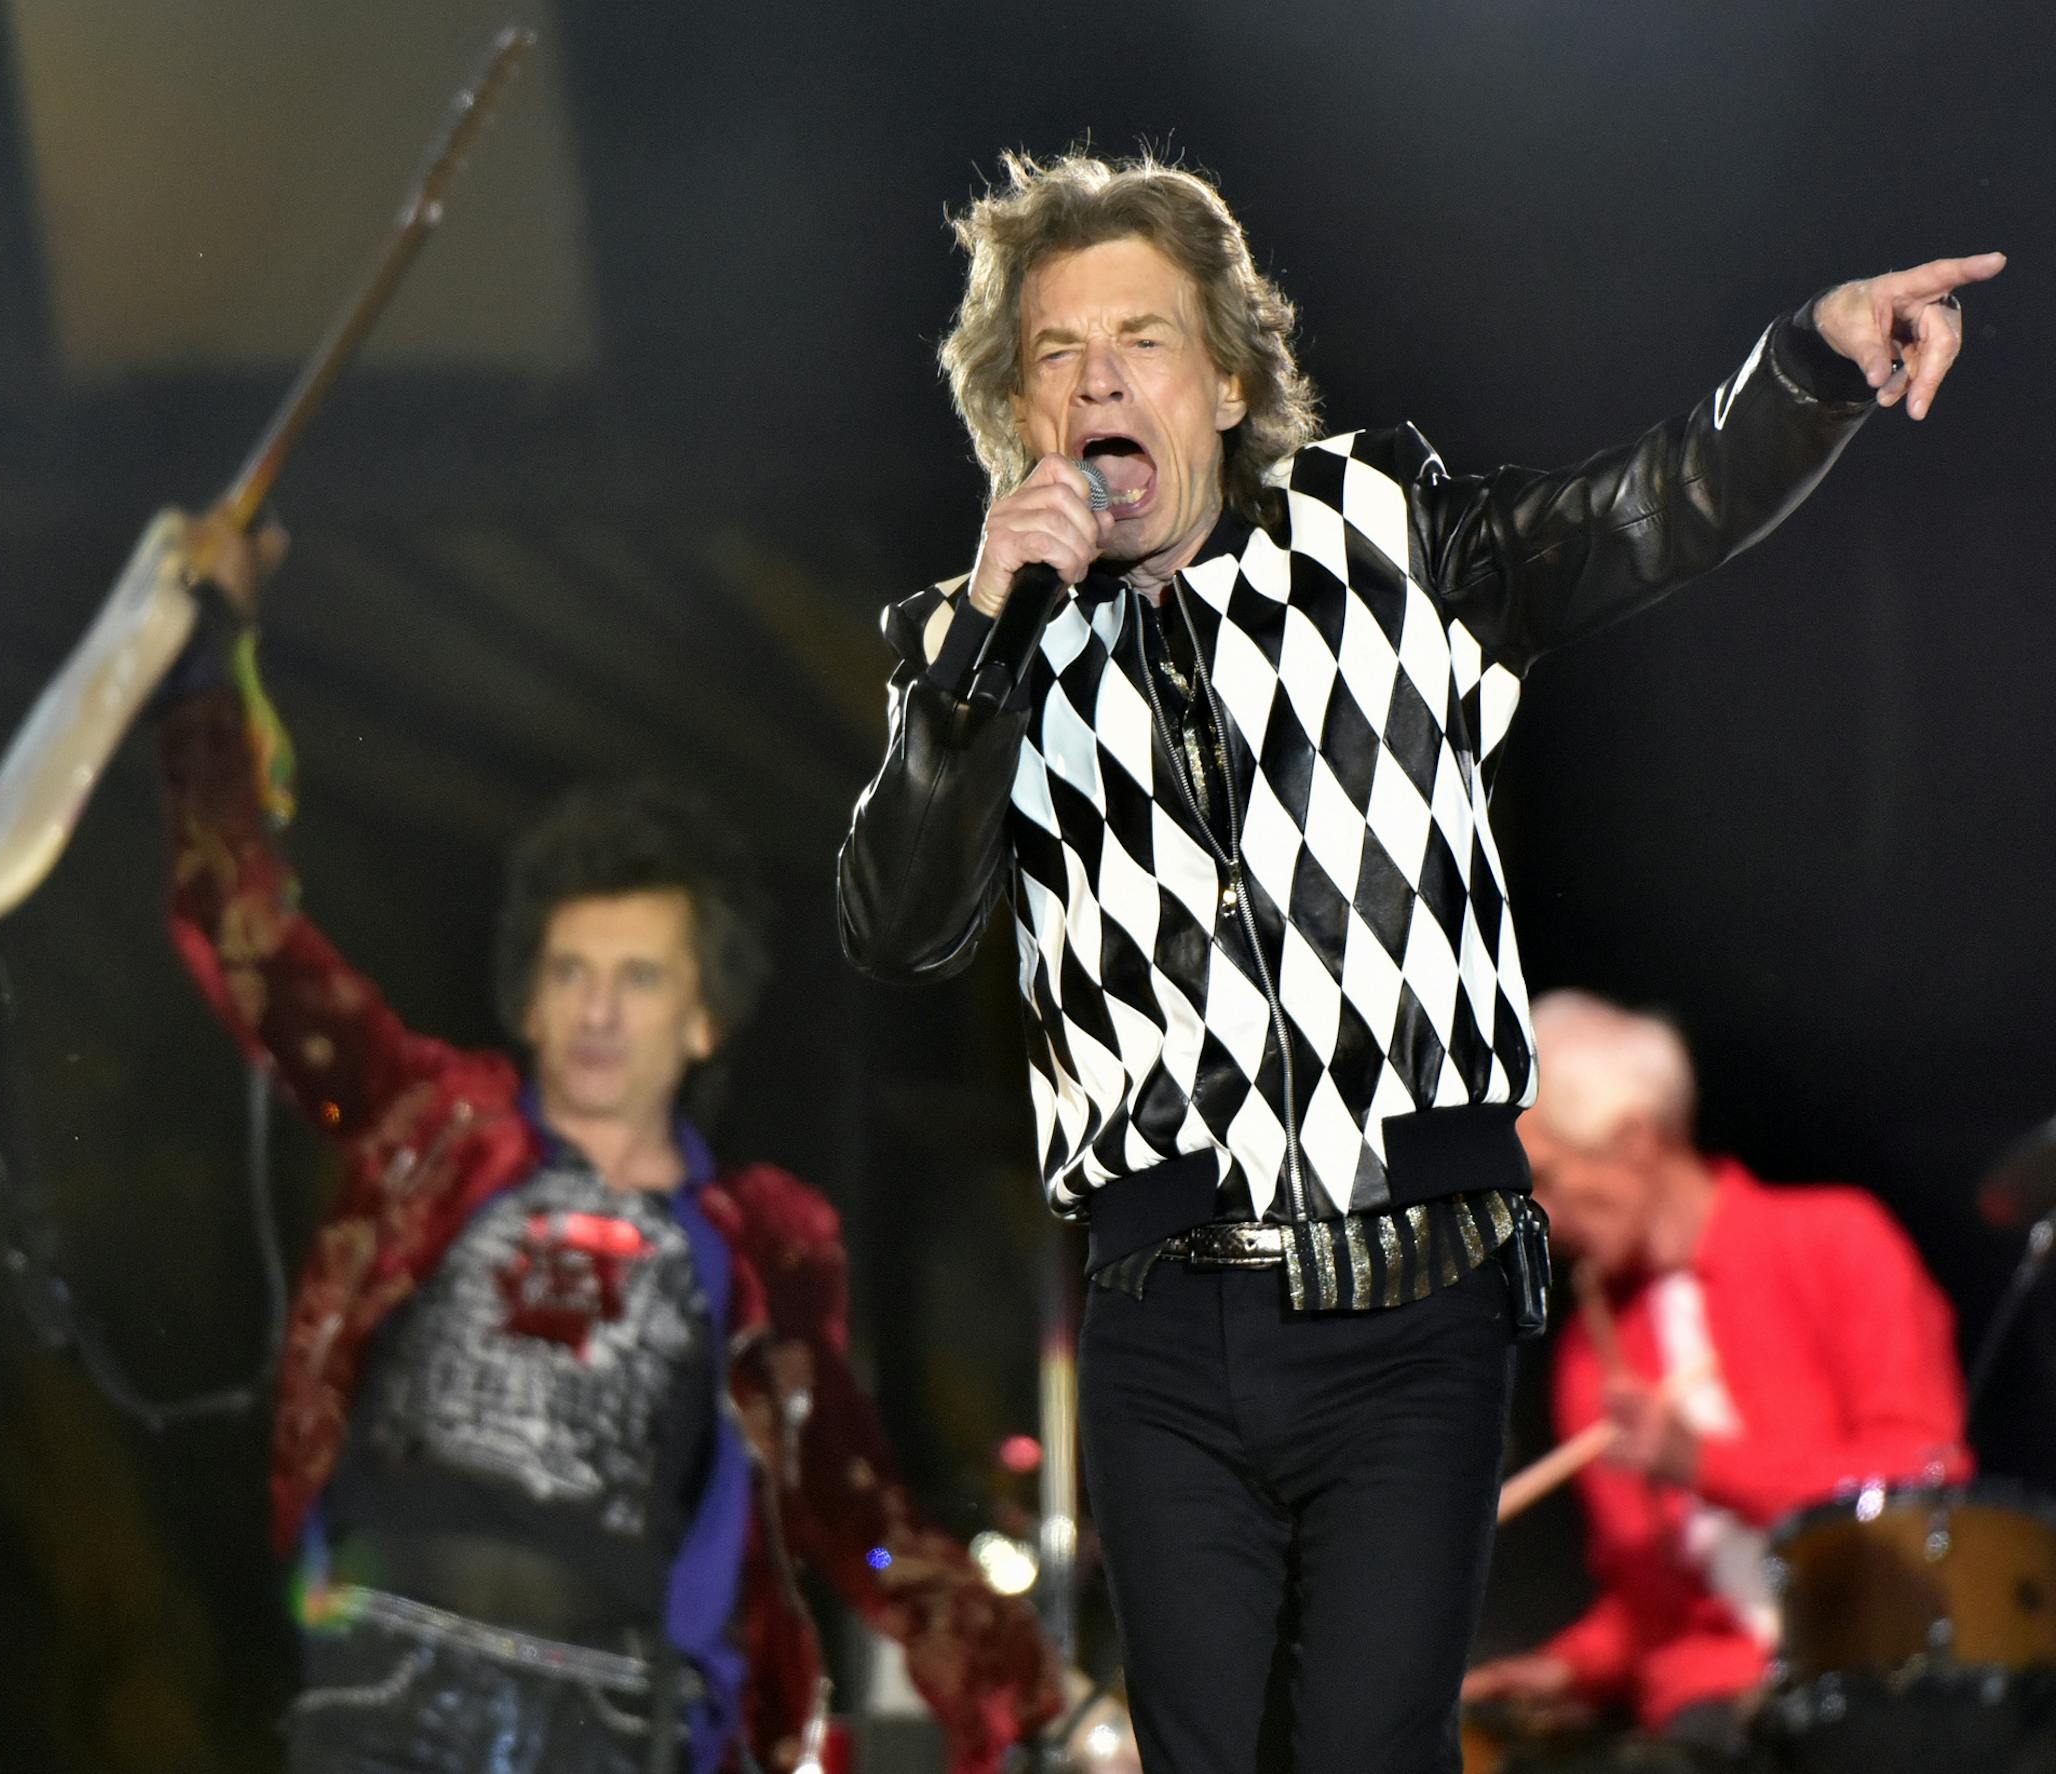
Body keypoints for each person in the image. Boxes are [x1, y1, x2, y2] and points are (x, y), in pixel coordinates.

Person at [833, 148, 1999, 1774]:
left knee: (1372, 1745)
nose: (1099, 379)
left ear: (1227, 381)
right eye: (1056, 352)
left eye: (1143, 339)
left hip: (1410, 1292)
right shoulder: (978, 654)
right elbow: (897, 925)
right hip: (1166, 1314)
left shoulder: (1385, 534)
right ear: (1015, 411)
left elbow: (1650, 511)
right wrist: (975, 656)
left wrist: (1809, 362)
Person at [150, 517, 1060, 1774]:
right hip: (385, 1681)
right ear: (528, 998)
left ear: (703, 1016)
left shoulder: (754, 1253)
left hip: (614, 1717)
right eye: (571, 972)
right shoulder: (429, 1131)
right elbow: (246, 937)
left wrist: (1048, 1704)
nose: (596, 1009)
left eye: (638, 978)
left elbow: (864, 1517)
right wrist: (209, 660)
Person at [1462, 991, 1970, 1756]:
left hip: (1880, 1666)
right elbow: (1650, 1606)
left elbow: (1922, 1484)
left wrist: (1699, 1461)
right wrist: (1573, 1668)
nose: (1542, 1222)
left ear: (1636, 1140)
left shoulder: (1834, 1241)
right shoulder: (1591, 1357)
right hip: (1714, 1715)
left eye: (1549, 1182)